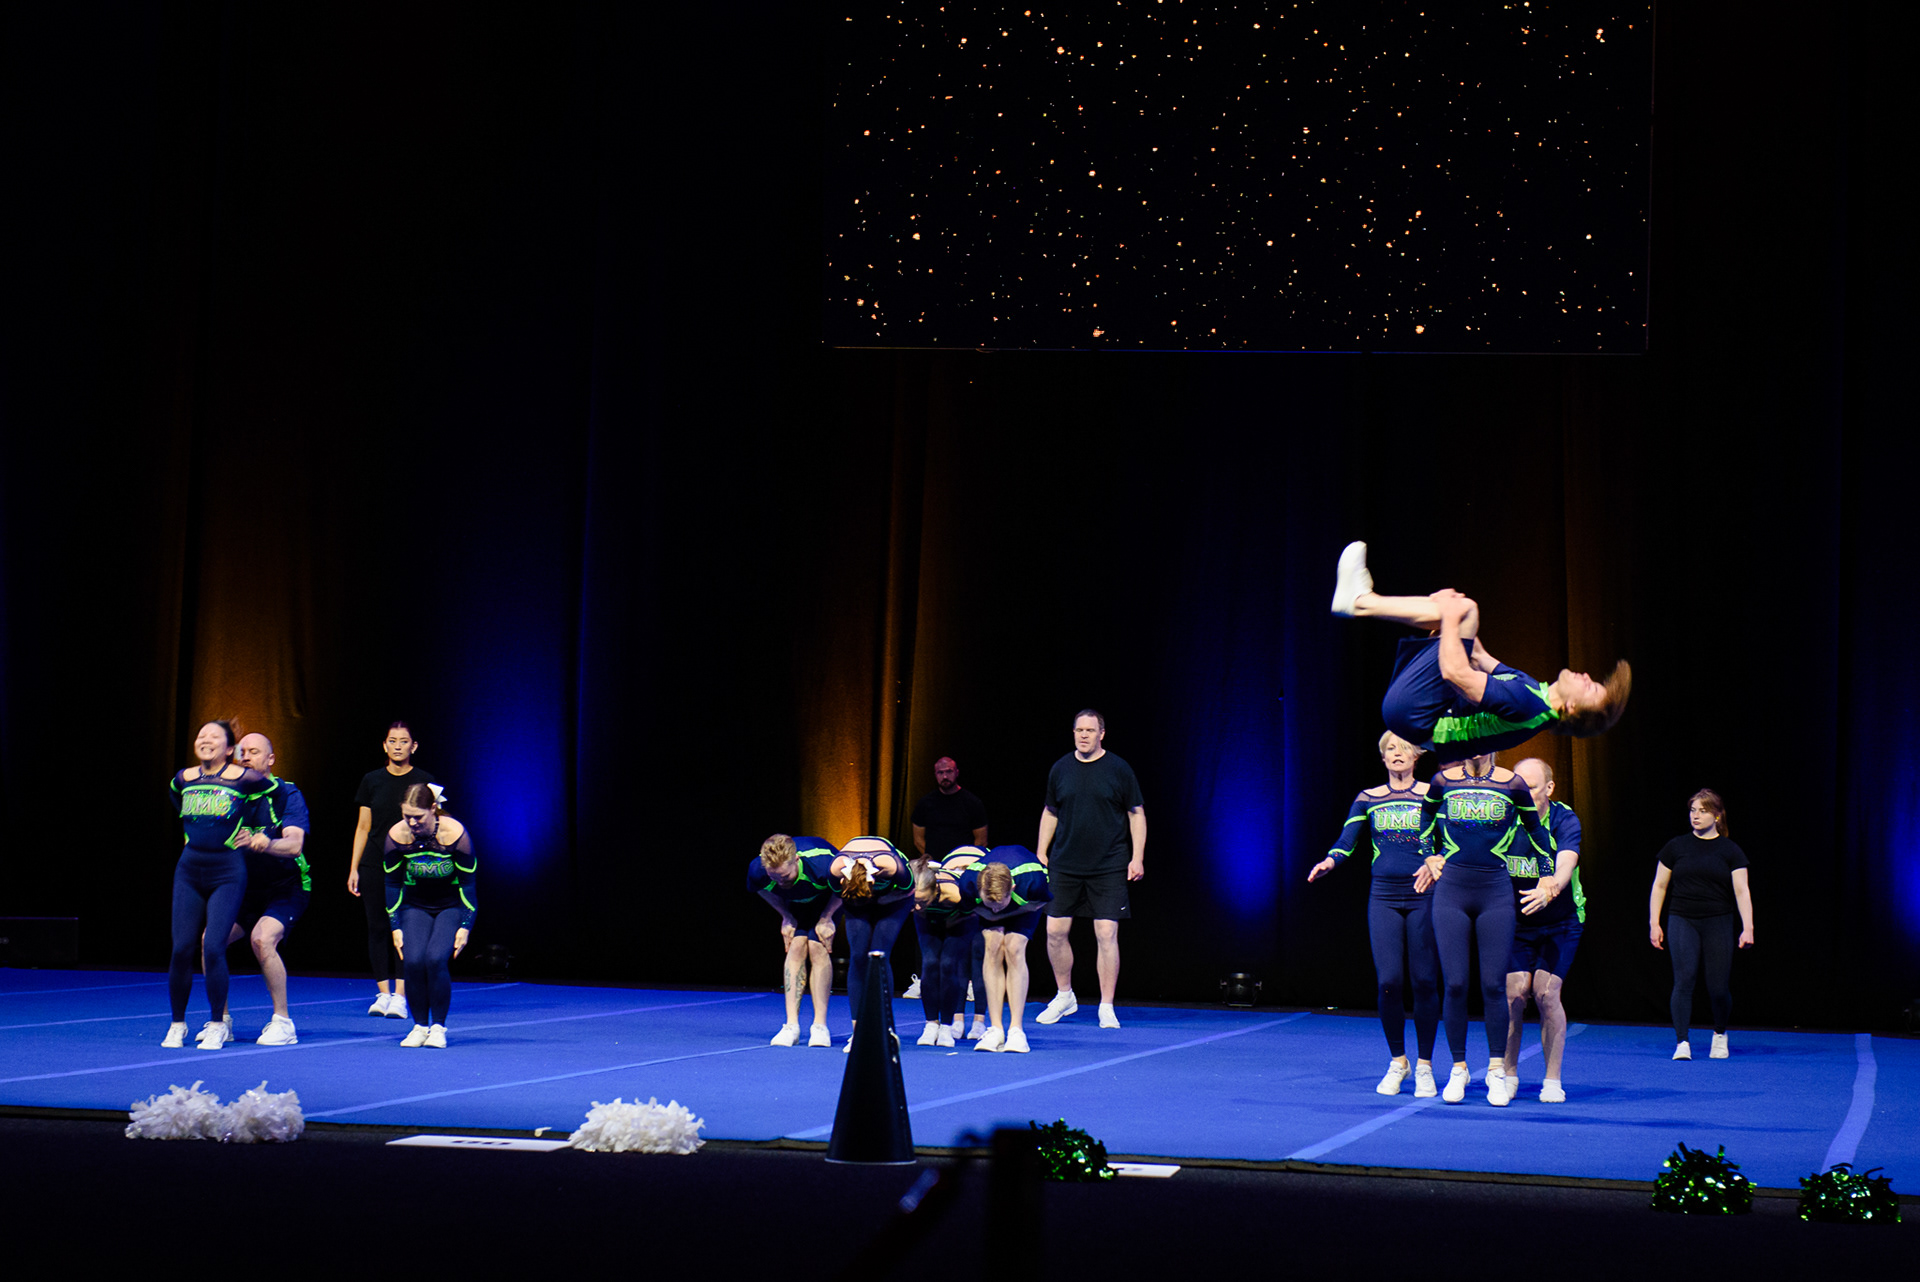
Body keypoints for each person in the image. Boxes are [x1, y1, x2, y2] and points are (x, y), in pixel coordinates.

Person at [1329, 542, 1631, 762]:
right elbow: (1478, 655)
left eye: (1590, 687)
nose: (1586, 676)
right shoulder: (1533, 691)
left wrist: (1450, 614)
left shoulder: (1527, 705)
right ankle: (1360, 601)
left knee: (1463, 612)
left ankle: (1360, 601)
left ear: (1572, 708)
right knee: (1464, 612)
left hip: (1417, 716)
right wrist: (1444, 608)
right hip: (1416, 712)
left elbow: (1455, 673)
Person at [1308, 731, 1440, 1097]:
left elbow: (1449, 840)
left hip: (1423, 894)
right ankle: (1399, 1061)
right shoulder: (1368, 798)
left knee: (1425, 981)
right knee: (1389, 981)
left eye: (1404, 748)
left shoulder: (1433, 794)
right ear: (1382, 759)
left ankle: (1425, 1065)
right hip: (1383, 896)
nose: (1397, 754)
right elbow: (1346, 841)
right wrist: (1330, 861)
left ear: (1416, 756)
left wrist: (1439, 862)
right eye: (1390, 749)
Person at [1415, 754, 1549, 1105]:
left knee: (1493, 984)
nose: (1477, 749)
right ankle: (1458, 1068)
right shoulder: (1444, 781)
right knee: (1456, 983)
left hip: (1495, 892)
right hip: (1452, 892)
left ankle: (1496, 1070)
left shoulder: (1512, 784)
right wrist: (1428, 854)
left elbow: (1536, 829)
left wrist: (1547, 873)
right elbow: (1424, 817)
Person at [164, 720, 276, 1050]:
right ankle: (177, 1023)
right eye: (201, 735)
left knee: (213, 946)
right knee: (181, 949)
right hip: (189, 870)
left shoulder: (243, 778)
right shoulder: (184, 778)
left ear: (229, 749)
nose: (205, 740)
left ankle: (217, 1023)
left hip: (227, 871)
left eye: (214, 737)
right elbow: (177, 800)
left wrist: (262, 833)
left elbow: (275, 795)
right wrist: (193, 831)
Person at [1035, 710, 1145, 1029]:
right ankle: (1064, 995)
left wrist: (1137, 857)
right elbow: (1050, 811)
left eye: (1090, 730)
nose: (1083, 735)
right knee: (1054, 931)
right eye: (1079, 730)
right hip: (1065, 863)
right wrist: (1041, 851)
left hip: (1108, 864)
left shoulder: (1118, 768)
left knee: (1106, 933)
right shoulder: (1061, 768)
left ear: (1101, 734)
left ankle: (1106, 1005)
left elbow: (1136, 813)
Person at [219, 733, 311, 1046]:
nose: (245, 757)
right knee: (209, 942)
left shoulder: (287, 793)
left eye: (254, 752)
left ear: (270, 759)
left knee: (262, 938)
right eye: (241, 752)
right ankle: (221, 1021)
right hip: (245, 889)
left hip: (287, 886)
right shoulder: (231, 796)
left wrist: (267, 843)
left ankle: (283, 1022)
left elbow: (295, 845)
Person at [1502, 758, 1586, 1102]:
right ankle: (1507, 1074)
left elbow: (1567, 860)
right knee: (1514, 994)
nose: (1522, 794)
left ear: (1549, 788)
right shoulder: (1504, 818)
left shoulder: (1564, 819)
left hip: (1561, 921)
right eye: (1517, 787)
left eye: (1531, 787)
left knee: (1546, 994)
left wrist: (1552, 885)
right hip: (1516, 922)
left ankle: (1552, 1080)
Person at [1648, 790, 1754, 1060]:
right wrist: (1654, 923)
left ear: (1717, 816)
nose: (1695, 815)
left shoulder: (1730, 850)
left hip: (1718, 920)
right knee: (1684, 980)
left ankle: (1719, 1033)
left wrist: (1748, 927)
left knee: (1718, 987)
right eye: (1693, 810)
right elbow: (1659, 886)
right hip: (1682, 918)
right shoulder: (1676, 847)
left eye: (1703, 811)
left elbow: (1742, 890)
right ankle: (1682, 1041)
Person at [349, 723, 436, 1020]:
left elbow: (435, 821)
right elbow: (363, 827)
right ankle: (382, 993)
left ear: (414, 746)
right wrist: (354, 867)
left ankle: (400, 995)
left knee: (405, 926)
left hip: (411, 864)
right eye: (392, 741)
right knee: (377, 927)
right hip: (375, 862)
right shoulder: (371, 780)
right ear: (384, 745)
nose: (398, 746)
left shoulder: (425, 781)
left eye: (404, 741)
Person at [384, 782, 476, 1048]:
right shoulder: (396, 835)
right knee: (413, 961)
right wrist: (395, 926)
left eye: (418, 817)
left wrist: (465, 925)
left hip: (450, 906)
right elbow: (392, 884)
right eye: (407, 816)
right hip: (415, 906)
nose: (412, 823)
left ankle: (438, 1028)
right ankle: (419, 1026)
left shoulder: (455, 833)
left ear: (433, 809)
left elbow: (468, 884)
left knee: (435, 959)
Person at [909, 755, 992, 1032]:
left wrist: (965, 868)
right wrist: (935, 869)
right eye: (939, 772)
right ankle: (953, 1019)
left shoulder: (971, 803)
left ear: (957, 772)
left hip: (967, 874)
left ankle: (979, 1020)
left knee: (976, 953)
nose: (944, 776)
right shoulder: (926, 803)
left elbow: (981, 839)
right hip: (937, 872)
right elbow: (918, 838)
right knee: (943, 959)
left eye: (948, 771)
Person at [952, 848, 1050, 1053]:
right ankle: (995, 1028)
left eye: (999, 905)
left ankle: (1016, 1030)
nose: (996, 909)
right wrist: (992, 911)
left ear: (1012, 888)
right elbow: (970, 908)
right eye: (990, 903)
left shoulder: (1034, 881)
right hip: (986, 911)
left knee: (1014, 948)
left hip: (1024, 906)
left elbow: (1039, 903)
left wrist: (999, 912)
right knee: (993, 946)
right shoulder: (968, 883)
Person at [750, 834, 842, 1048]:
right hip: (797, 901)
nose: (781, 882)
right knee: (796, 945)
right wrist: (785, 915)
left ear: (797, 860)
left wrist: (827, 918)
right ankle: (791, 1025)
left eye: (785, 876)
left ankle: (820, 1026)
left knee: (817, 945)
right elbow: (760, 888)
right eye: (775, 878)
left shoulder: (824, 863)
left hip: (828, 898)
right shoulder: (758, 869)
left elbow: (844, 888)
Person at [831, 836, 913, 1052]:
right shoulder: (835, 870)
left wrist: (881, 900)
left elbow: (909, 890)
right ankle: (858, 1032)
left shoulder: (893, 867)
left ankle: (885, 1028)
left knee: (879, 955)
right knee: (858, 956)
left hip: (895, 900)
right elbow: (836, 896)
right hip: (855, 899)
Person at [910, 851, 982, 1047]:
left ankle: (947, 1027)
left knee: (948, 964)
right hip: (929, 921)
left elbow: (976, 916)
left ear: (935, 890)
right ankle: (931, 1025)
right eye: (914, 902)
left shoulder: (957, 893)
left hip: (960, 921)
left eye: (922, 901)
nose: (917, 907)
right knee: (930, 964)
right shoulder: (914, 897)